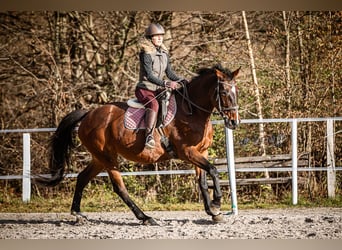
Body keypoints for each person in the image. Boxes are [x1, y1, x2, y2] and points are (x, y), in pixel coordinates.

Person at [135, 23, 187, 149]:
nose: (159, 38)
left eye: (161, 36)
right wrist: (166, 83)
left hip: (157, 89)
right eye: (156, 36)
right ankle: (149, 136)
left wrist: (183, 80)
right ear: (150, 38)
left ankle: (165, 136)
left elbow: (169, 73)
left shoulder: (164, 53)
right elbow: (149, 75)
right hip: (144, 89)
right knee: (154, 104)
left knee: (171, 103)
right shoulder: (145, 54)